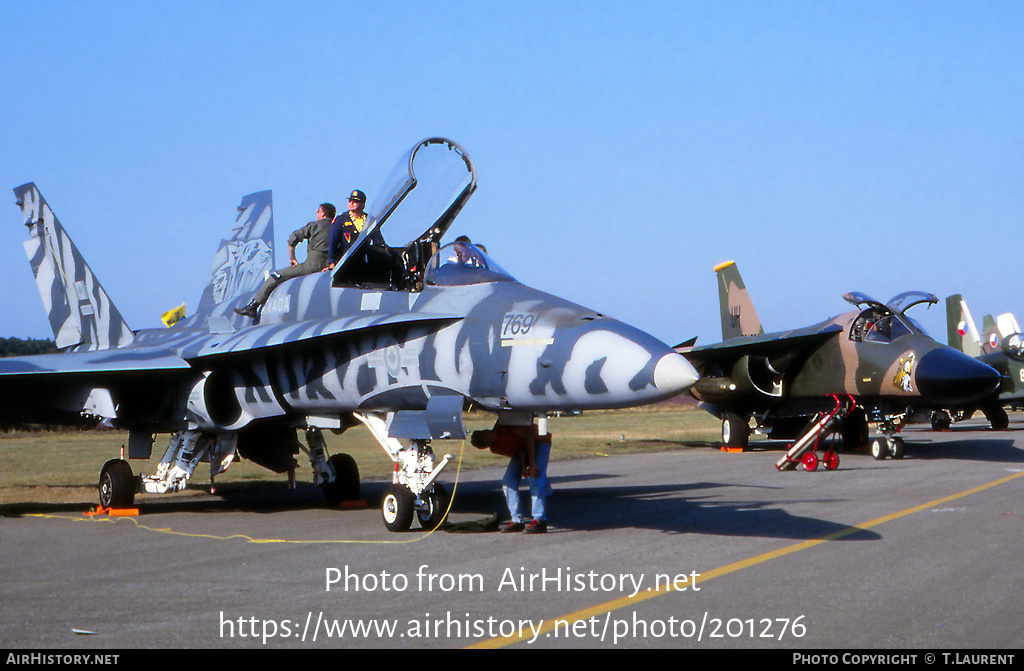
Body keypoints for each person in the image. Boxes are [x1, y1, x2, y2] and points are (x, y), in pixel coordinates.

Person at [234, 203, 336, 318]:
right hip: (330, 268)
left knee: (275, 276)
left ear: (323, 213)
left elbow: (292, 239)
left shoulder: (314, 226)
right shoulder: (337, 228)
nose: (317, 213)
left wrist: (292, 258)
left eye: (318, 211)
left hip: (311, 267)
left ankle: (253, 306)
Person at [471, 421, 552, 533]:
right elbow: (519, 448)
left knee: (535, 478)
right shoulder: (496, 448)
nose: (487, 432)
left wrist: (532, 464)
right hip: (526, 447)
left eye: (483, 431)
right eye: (484, 436)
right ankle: (517, 520)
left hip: (540, 440)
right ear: (486, 444)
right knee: (508, 480)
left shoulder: (502, 426)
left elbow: (528, 436)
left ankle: (539, 520)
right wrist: (523, 466)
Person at [329, 190, 369, 267]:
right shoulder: (341, 220)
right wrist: (332, 262)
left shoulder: (368, 220)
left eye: (355, 201)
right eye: (350, 200)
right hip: (347, 261)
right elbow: (333, 242)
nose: (351, 203)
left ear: (362, 205)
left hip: (365, 260)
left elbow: (377, 239)